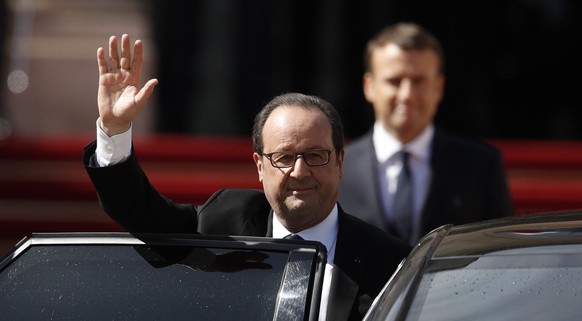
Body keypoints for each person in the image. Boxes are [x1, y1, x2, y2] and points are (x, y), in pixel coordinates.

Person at [83, 34, 411, 321]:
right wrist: (115, 130)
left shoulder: (391, 262)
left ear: (340, 161)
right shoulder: (225, 220)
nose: (300, 171)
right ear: (259, 165)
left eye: (315, 156)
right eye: (283, 157)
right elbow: (138, 211)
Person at [339, 22, 513, 245]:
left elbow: (498, 254)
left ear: (439, 87)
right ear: (369, 86)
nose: (407, 94)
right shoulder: (338, 168)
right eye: (394, 81)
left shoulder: (481, 166)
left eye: (419, 81)